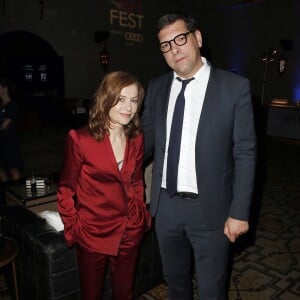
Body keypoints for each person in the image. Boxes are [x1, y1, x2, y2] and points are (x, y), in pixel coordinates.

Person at [142, 12, 256, 300]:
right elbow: (144, 144)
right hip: (165, 207)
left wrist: (239, 211)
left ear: (198, 38)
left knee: (211, 290)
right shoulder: (156, 88)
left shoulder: (234, 88)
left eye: (180, 39)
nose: (174, 49)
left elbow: (245, 152)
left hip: (212, 210)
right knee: (175, 284)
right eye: (166, 45)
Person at [57, 71, 151, 300]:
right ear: (105, 99)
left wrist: (140, 212)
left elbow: (137, 180)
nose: (128, 107)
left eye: (134, 100)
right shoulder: (81, 139)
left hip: (130, 228)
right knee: (91, 294)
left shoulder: (136, 138)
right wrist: (75, 229)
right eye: (121, 99)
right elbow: (65, 190)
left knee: (124, 293)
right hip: (93, 234)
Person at [0, 78, 23, 182]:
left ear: (4, 88)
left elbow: (4, 125)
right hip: (2, 142)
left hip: (10, 143)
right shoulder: (1, 105)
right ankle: (6, 193)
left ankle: (15, 192)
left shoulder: (12, 105)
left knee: (13, 170)